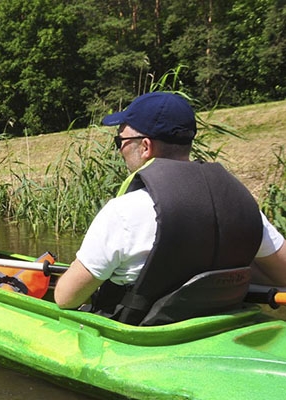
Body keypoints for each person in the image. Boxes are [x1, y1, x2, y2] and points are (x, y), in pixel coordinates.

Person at [54, 91, 286, 325]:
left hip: (144, 335)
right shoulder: (241, 206)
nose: (119, 151)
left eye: (120, 142)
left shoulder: (124, 212)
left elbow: (66, 297)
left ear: (145, 147)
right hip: (221, 327)